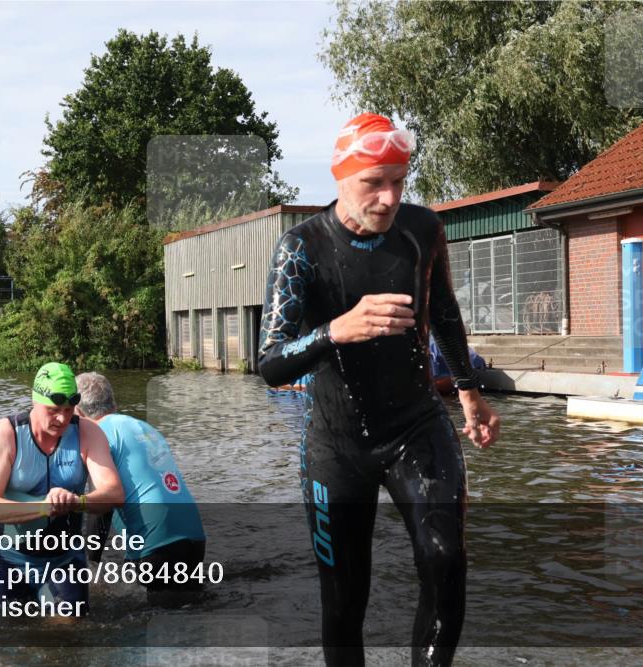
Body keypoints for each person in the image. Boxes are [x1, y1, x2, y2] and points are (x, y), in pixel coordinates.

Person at [257, 113, 501, 667]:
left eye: (399, 180)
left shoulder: (422, 230)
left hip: (416, 424)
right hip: (336, 446)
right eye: (374, 182)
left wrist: (469, 392)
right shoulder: (302, 248)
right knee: (344, 600)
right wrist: (335, 330)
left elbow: (443, 313)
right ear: (341, 177)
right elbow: (269, 362)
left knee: (445, 559)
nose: (389, 197)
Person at [0, 362, 124, 614]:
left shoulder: (88, 432)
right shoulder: (5, 434)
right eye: (54, 410)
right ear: (35, 400)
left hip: (64, 557)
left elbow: (114, 493)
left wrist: (77, 502)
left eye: (68, 410)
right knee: (10, 637)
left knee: (70, 633)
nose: (62, 419)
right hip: (9, 556)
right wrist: (46, 506)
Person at [75, 372, 206, 593]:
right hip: (195, 537)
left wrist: (90, 564)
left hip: (156, 542)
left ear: (78, 412)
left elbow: (102, 506)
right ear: (112, 402)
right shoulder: (144, 427)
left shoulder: (96, 436)